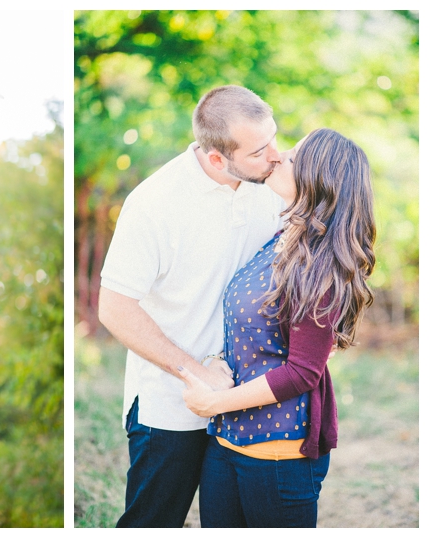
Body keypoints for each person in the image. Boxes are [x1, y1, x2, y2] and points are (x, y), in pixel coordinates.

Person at [97, 85, 286, 527]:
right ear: (217, 158)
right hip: (172, 407)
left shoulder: (273, 182)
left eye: (274, 137)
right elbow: (114, 306)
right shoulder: (153, 203)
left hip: (248, 406)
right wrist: (196, 372)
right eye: (260, 150)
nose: (276, 154)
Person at [180, 128, 376, 527]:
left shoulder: (320, 264)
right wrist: (217, 361)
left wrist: (214, 403)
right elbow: (252, 332)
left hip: (276, 454)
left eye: (291, 155)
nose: (277, 156)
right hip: (226, 440)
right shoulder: (280, 240)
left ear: (316, 178)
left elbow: (303, 371)